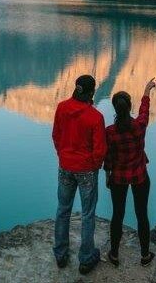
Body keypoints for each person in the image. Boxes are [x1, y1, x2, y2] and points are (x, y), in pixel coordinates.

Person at [104, 77, 156, 267]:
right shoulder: (139, 126)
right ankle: (145, 256)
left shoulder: (110, 132)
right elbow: (145, 110)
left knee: (117, 215)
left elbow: (109, 158)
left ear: (115, 109)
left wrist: (108, 176)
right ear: (129, 108)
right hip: (139, 176)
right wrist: (147, 89)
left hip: (118, 178)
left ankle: (114, 254)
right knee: (142, 214)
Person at [52, 74, 107, 274]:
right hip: (86, 171)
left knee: (63, 210)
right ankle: (85, 258)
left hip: (65, 167)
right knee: (87, 214)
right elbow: (100, 150)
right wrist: (93, 166)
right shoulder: (95, 117)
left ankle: (60, 253)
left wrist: (63, 156)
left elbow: (56, 135)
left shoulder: (61, 108)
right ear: (91, 92)